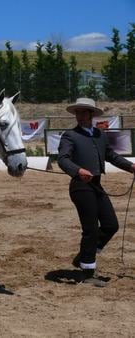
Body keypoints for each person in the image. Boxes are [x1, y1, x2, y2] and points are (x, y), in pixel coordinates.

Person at [58, 97, 135, 287]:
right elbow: (63, 159)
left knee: (111, 225)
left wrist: (131, 167)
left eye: (84, 112)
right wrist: (78, 170)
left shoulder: (100, 135)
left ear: (91, 114)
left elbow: (112, 156)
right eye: (78, 112)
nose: (80, 115)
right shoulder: (69, 135)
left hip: (97, 185)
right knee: (91, 229)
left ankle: (84, 257)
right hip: (80, 186)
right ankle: (88, 273)